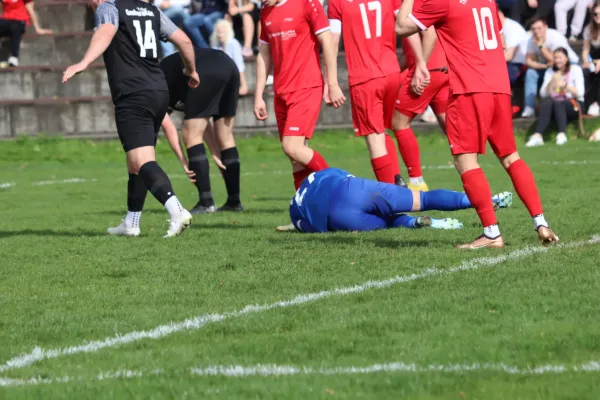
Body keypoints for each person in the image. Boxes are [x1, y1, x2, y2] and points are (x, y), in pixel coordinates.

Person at [395, 0, 559, 248]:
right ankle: (541, 223)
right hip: (500, 87)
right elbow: (501, 42)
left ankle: (491, 233)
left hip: (470, 90)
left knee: (465, 160)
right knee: (510, 156)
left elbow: (401, 27)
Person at [63, 0, 199, 237]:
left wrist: (84, 62)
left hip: (133, 94)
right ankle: (131, 222)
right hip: (158, 91)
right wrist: (191, 69)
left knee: (141, 160)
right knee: (136, 161)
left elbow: (106, 31)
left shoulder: (111, 7)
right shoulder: (152, 10)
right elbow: (185, 41)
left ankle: (176, 211)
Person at [254, 0, 345, 230]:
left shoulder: (306, 3)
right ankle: (307, 217)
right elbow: (263, 54)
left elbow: (327, 41)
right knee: (295, 159)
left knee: (292, 146)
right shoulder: (266, 11)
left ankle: (342, 189)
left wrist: (332, 83)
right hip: (281, 92)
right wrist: (258, 95)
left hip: (306, 87)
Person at [289, 168, 512, 233]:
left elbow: (308, 228)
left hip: (338, 217)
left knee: (387, 222)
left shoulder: (295, 212)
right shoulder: (316, 176)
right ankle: (480, 200)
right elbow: (345, 175)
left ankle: (419, 223)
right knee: (423, 198)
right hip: (352, 189)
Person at [327, 0, 405, 187]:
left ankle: (392, 199)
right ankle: (397, 180)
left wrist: (331, 82)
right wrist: (419, 63)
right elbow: (405, 25)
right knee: (382, 131)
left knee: (374, 138)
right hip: (392, 72)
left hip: (365, 77)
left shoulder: (337, 2)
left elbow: (333, 40)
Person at [160, 48, 244, 213]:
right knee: (225, 136)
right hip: (228, 65)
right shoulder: (169, 79)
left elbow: (168, 127)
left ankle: (206, 202)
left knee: (190, 135)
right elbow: (203, 118)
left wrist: (184, 161)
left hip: (204, 70)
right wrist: (214, 151)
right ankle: (234, 202)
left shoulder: (153, 88)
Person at [393, 28, 449, 191]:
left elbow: (430, 34)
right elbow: (409, 55)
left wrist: (420, 68)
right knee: (451, 129)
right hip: (442, 69)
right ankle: (471, 171)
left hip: (427, 71)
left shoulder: (412, 4)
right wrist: (393, 72)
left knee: (399, 123)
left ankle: (416, 181)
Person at [526, 48, 585, 147]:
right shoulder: (550, 71)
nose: (557, 60)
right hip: (555, 104)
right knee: (546, 101)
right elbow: (543, 93)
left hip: (574, 104)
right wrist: (551, 82)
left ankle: (562, 134)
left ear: (566, 59)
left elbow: (580, 93)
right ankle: (538, 135)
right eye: (555, 58)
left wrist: (565, 86)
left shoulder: (575, 69)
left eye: (560, 58)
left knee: (559, 102)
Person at [522, 18, 579, 118]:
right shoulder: (531, 39)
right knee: (530, 73)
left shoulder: (555, 37)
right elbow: (529, 61)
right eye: (533, 29)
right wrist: (543, 66)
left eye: (539, 28)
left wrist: (540, 46)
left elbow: (556, 60)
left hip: (568, 64)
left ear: (546, 27)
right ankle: (529, 107)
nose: (536, 31)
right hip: (548, 67)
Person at [0, 0, 52, 67]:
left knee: (15, 27)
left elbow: (31, 11)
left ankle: (14, 57)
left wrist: (38, 29)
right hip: (7, 22)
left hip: (19, 22)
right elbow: (1, 11)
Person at [210, 18, 248, 95]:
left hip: (232, 77)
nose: (220, 34)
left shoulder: (233, 44)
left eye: (223, 31)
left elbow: (239, 65)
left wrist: (244, 85)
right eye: (218, 31)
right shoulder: (215, 45)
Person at [499, 10, 529, 85]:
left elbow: (508, 56)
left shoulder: (512, 28)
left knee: (500, 79)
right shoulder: (501, 28)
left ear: (500, 14)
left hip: (520, 63)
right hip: (510, 62)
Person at [582, 4, 600, 116]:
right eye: (595, 14)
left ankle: (597, 102)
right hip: (594, 61)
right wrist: (586, 61)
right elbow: (585, 50)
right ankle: (585, 104)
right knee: (585, 72)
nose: (598, 16)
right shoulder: (589, 29)